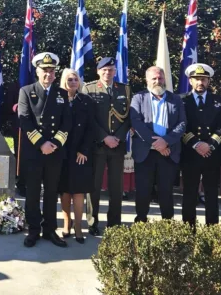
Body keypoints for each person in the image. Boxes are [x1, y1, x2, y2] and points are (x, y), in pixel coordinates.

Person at [18, 52, 71, 248]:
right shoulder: (26, 91)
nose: (48, 74)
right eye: (44, 71)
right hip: (34, 151)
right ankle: (33, 230)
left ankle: (50, 230)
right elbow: (24, 120)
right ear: (37, 72)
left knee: (51, 192)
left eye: (51, 71)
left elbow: (67, 123)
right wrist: (41, 144)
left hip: (54, 152)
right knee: (32, 193)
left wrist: (54, 144)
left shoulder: (61, 93)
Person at [130, 66, 186, 222]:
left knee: (166, 191)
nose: (157, 81)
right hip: (145, 152)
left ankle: (167, 224)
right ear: (147, 80)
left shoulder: (176, 99)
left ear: (164, 79)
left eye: (160, 78)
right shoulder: (138, 98)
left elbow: (182, 124)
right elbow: (137, 123)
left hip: (169, 152)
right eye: (153, 78)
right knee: (143, 190)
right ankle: (141, 222)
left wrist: (166, 141)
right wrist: (157, 144)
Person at [82, 57, 132, 234]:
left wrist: (117, 136)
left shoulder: (125, 89)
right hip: (97, 145)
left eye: (110, 69)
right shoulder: (89, 88)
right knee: (93, 187)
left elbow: (128, 118)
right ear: (98, 71)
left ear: (115, 71)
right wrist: (104, 137)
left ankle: (114, 223)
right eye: (104, 70)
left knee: (116, 187)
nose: (107, 72)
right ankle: (92, 222)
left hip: (118, 145)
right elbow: (88, 118)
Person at [180, 63, 221, 226]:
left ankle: (212, 230)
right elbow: (179, 125)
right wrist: (196, 144)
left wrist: (210, 145)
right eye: (197, 79)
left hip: (211, 155)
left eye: (204, 79)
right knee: (189, 194)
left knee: (212, 194)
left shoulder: (219, 101)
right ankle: (188, 230)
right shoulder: (181, 101)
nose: (200, 82)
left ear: (209, 81)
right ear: (190, 81)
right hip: (190, 154)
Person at [58, 68, 94, 244]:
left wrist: (84, 150)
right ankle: (67, 222)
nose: (73, 82)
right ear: (63, 81)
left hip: (80, 153)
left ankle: (79, 226)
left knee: (79, 191)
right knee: (64, 191)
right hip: (61, 152)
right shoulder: (57, 99)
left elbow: (91, 128)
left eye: (75, 80)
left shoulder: (86, 101)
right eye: (69, 79)